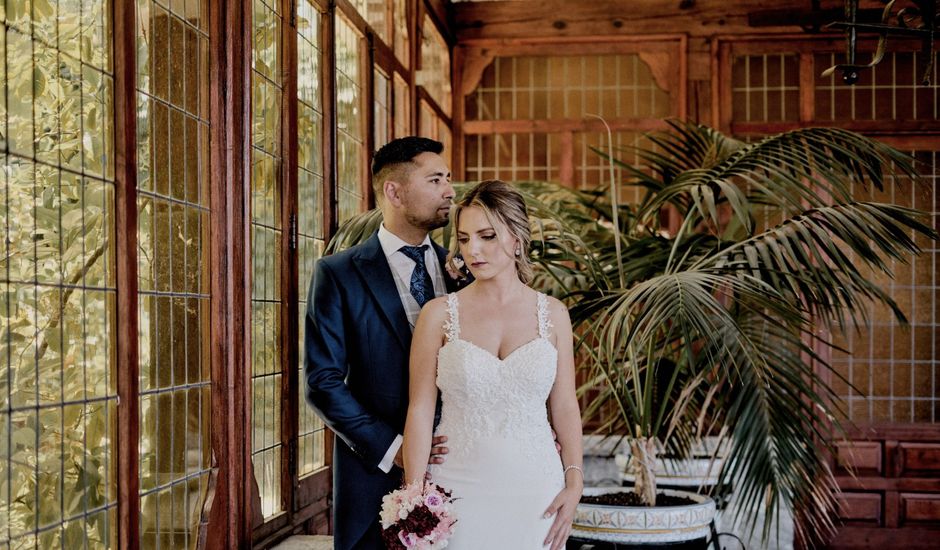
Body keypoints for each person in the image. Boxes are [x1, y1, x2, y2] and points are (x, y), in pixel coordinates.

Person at [402, 180, 584, 550]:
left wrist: (575, 482)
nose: (473, 250)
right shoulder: (437, 315)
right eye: (465, 239)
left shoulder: (553, 314)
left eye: (486, 236)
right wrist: (414, 494)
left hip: (536, 491)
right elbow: (420, 408)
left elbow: (564, 404)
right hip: (456, 488)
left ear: (517, 239)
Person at [304, 137, 461, 550]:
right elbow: (322, 382)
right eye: (435, 180)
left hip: (465, 475)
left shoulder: (465, 273)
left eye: (448, 179)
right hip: (374, 484)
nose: (450, 190)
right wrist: (398, 450)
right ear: (394, 191)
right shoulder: (338, 274)